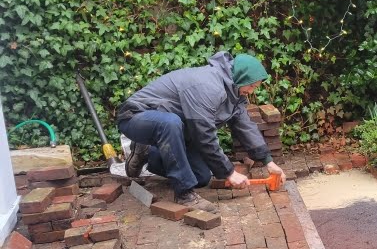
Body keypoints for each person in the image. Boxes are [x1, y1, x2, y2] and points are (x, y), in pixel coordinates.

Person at [115, 52, 287, 213]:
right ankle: (184, 194)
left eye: (255, 88)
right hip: (136, 117)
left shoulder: (234, 94)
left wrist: (268, 161)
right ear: (241, 77)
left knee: (201, 177)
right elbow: (203, 134)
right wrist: (229, 172)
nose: (251, 91)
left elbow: (245, 125)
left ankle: (148, 153)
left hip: (173, 129)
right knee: (170, 122)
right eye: (251, 86)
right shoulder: (208, 85)